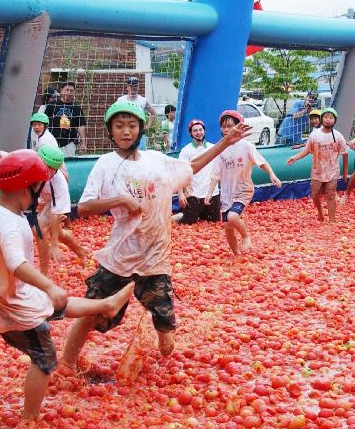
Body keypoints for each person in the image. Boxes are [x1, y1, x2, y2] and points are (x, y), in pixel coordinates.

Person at [59, 101, 253, 369]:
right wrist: (120, 200)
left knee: (166, 329)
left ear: (140, 129)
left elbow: (192, 166)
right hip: (120, 256)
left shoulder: (156, 161)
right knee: (94, 309)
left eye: (131, 125)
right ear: (110, 131)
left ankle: (155, 349)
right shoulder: (106, 164)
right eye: (119, 126)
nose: (125, 131)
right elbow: (83, 207)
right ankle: (67, 363)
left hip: (155, 258)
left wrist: (226, 143)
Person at [0, 150, 135, 420]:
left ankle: (107, 305)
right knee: (44, 360)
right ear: (24, 188)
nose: (41, 196)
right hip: (8, 303)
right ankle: (30, 419)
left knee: (48, 304)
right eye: (39, 189)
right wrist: (50, 286)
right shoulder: (10, 225)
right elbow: (17, 265)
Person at [0, 145, 88, 274]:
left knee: (38, 229)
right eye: (46, 167)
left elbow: (56, 214)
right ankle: (79, 250)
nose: (48, 172)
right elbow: (5, 154)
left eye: (52, 169)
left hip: (52, 201)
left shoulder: (58, 183)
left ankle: (44, 274)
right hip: (40, 199)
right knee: (58, 234)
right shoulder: (28, 162)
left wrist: (54, 245)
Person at [206, 110, 282, 254]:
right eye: (223, 126)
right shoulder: (220, 148)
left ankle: (246, 235)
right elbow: (215, 174)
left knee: (233, 217)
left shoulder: (246, 146)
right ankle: (236, 254)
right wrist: (210, 192)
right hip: (227, 193)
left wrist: (272, 175)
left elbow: (262, 162)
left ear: (238, 127)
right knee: (228, 228)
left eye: (230, 126)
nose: (226, 129)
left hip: (243, 189)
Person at [286, 107, 348, 223]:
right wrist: (295, 157)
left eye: (331, 118)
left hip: (332, 170)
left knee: (330, 194)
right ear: (322, 119)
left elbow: (345, 154)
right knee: (314, 194)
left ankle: (332, 220)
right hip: (318, 169)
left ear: (335, 120)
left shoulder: (338, 136)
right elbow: (307, 150)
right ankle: (320, 211)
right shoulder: (315, 135)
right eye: (326, 117)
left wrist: (345, 173)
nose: (328, 120)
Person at [175, 119, 220, 224]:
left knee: (213, 222)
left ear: (204, 131)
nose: (199, 132)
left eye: (200, 129)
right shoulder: (186, 151)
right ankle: (180, 215)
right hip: (194, 195)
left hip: (212, 194)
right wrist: (181, 194)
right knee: (188, 222)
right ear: (190, 133)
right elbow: (179, 173)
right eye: (195, 130)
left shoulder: (212, 148)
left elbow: (218, 171)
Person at [44, 81, 87, 157]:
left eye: (71, 91)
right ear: (61, 90)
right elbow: (45, 123)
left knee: (67, 165)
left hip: (69, 142)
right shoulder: (51, 106)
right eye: (67, 90)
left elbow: (81, 125)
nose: (69, 92)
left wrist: (83, 143)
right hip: (53, 141)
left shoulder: (76, 107)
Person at [117, 76, 157, 150]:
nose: (133, 88)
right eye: (131, 86)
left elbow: (153, 113)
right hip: (126, 132)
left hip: (139, 133)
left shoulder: (143, 100)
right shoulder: (121, 100)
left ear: (138, 87)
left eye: (135, 86)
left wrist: (148, 126)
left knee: (140, 156)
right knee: (126, 154)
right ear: (127, 87)